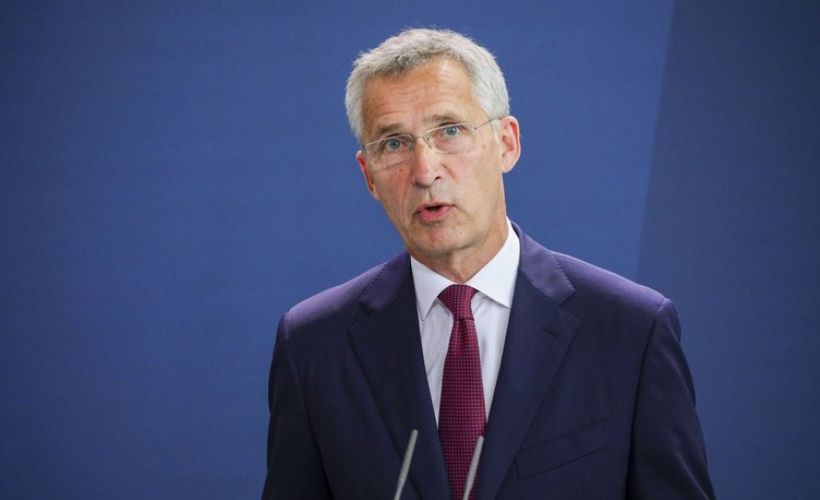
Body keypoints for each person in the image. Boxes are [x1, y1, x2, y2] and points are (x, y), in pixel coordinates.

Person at [263, 28, 714, 499]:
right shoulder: (314, 344)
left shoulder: (631, 330)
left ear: (506, 143)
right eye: (394, 143)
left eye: (450, 131)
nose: (425, 171)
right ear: (369, 176)